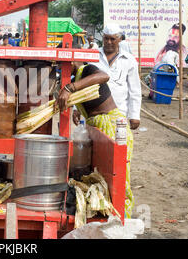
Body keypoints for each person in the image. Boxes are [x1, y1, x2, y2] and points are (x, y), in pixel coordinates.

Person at [57, 61, 135, 218]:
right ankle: (108, 215)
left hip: (111, 127)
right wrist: (78, 110)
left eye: (61, 64)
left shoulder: (87, 70)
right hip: (97, 128)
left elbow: (104, 76)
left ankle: (122, 218)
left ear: (72, 61)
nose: (60, 68)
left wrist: (69, 89)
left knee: (118, 177)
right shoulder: (75, 79)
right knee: (102, 177)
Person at [88, 23, 142, 131]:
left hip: (119, 112)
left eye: (112, 39)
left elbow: (135, 90)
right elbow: (83, 82)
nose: (108, 42)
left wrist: (135, 116)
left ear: (120, 39)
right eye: (106, 38)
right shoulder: (92, 56)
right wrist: (76, 108)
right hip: (95, 112)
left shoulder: (129, 60)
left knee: (118, 145)